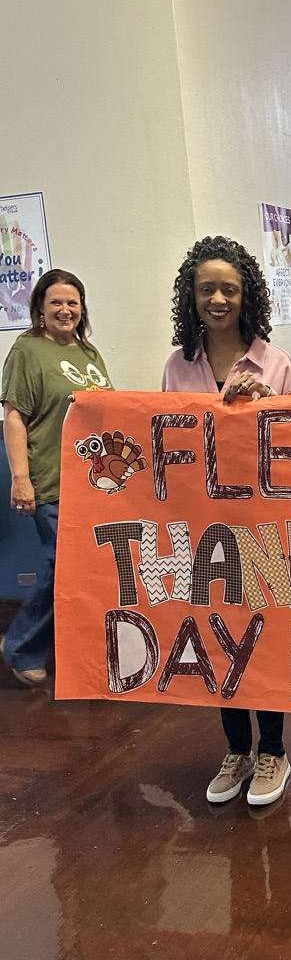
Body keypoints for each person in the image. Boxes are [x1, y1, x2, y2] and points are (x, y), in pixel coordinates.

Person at [162, 235, 291, 807]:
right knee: (220, 635)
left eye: (228, 288)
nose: (217, 299)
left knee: (263, 636)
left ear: (246, 294)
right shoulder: (178, 365)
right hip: (204, 527)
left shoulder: (277, 361)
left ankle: (273, 750)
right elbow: (168, 441)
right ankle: (236, 749)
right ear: (190, 297)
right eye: (206, 289)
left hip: (265, 524)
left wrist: (268, 401)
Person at [0, 269, 113, 686]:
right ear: (40, 309)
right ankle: (20, 646)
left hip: (94, 484)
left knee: (85, 572)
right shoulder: (28, 350)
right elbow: (14, 417)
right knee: (61, 568)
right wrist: (21, 479)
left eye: (73, 303)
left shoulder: (90, 353)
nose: (65, 310)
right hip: (51, 479)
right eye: (56, 303)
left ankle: (75, 651)